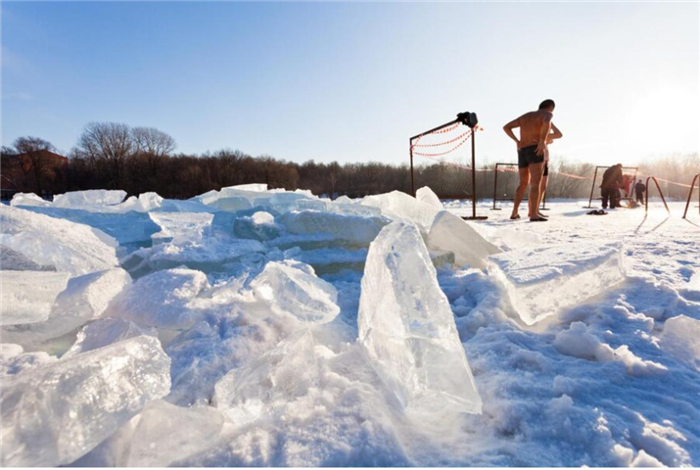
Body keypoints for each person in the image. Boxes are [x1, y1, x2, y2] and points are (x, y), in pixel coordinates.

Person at [503, 99, 563, 222]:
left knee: (523, 183)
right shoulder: (547, 114)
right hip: (535, 149)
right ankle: (534, 214)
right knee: (536, 183)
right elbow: (547, 123)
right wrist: (541, 141)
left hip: (522, 150)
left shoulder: (526, 116)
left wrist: (517, 141)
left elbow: (506, 127)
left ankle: (514, 213)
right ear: (551, 108)